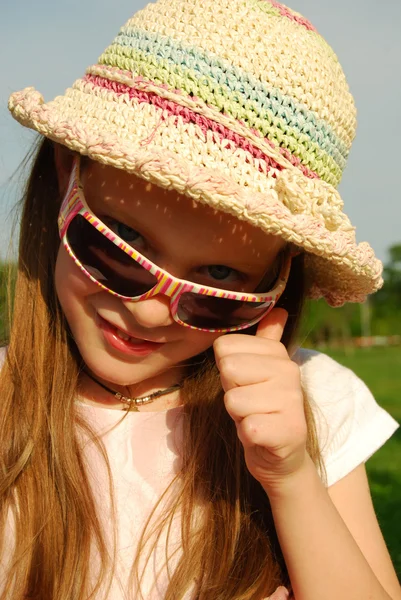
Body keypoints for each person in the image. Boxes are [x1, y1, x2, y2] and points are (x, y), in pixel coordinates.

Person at [2, 0, 400, 598]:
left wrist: (290, 477)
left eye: (217, 286)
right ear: (66, 174)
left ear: (277, 274)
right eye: (118, 247)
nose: (149, 310)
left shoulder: (311, 405)